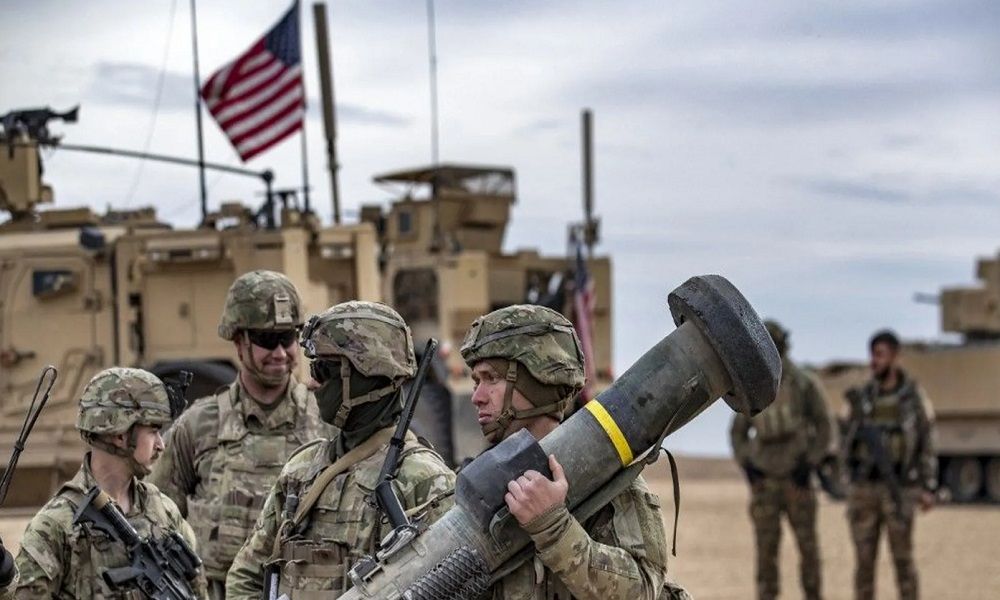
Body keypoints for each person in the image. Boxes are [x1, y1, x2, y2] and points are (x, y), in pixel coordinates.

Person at [226, 301, 456, 600]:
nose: (312, 383)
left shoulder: (423, 479)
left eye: (323, 370)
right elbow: (247, 575)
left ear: (365, 374)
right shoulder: (302, 469)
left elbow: (453, 585)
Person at [460, 304, 678, 600]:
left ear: (537, 379)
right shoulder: (472, 484)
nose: (477, 397)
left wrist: (553, 528)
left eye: (491, 378)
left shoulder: (605, 480)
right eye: (476, 381)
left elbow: (643, 590)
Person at [149, 270, 334, 598]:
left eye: (288, 338)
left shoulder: (325, 422)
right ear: (239, 342)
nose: (280, 353)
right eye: (266, 340)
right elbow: (156, 519)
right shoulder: (199, 426)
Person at [13, 367, 207, 599]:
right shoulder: (56, 525)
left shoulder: (163, 512)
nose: (160, 444)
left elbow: (198, 588)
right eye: (153, 431)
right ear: (120, 434)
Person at [729, 320, 836, 600]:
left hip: (797, 482)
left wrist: (809, 464)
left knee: (808, 550)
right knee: (766, 554)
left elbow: (825, 426)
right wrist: (749, 468)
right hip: (765, 483)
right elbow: (738, 432)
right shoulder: (753, 387)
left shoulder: (803, 383)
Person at [844, 330, 936, 600]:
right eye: (872, 355)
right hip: (865, 490)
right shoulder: (862, 398)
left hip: (899, 489)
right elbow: (844, 438)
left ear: (896, 357)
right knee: (864, 565)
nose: (874, 361)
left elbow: (927, 442)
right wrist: (848, 479)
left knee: (903, 562)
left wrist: (927, 485)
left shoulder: (913, 398)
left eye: (880, 355)